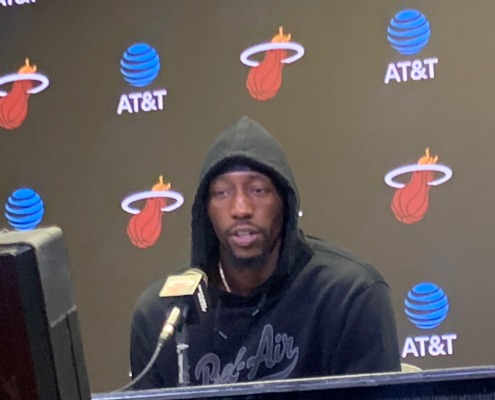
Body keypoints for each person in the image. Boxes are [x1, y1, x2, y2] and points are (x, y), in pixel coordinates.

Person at [130, 116, 401, 389]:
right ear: (206, 210)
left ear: (285, 202)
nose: (241, 209)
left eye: (258, 190)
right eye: (222, 193)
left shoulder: (347, 294)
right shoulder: (162, 314)